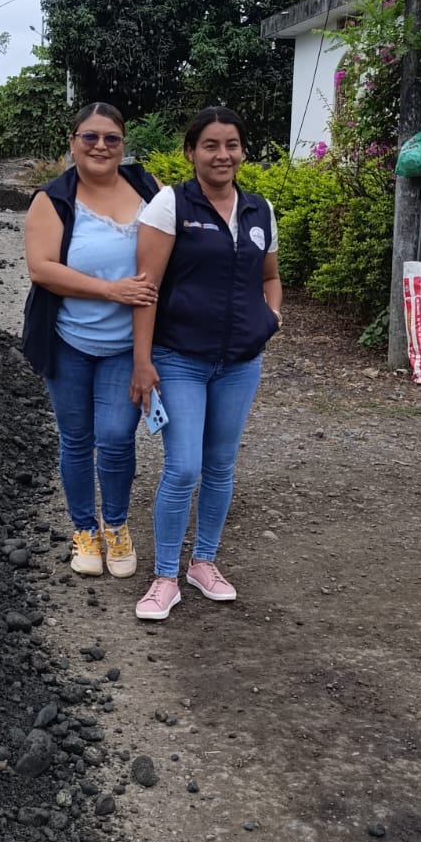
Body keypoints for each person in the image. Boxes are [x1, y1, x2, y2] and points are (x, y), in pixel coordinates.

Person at [129, 106, 282, 621]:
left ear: (243, 151)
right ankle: (164, 577)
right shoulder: (170, 205)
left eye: (231, 145)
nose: (222, 155)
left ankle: (204, 563)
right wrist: (143, 361)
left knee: (220, 465)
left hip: (240, 363)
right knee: (183, 467)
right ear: (191, 152)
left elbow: (269, 277)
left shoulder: (260, 210)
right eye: (210, 145)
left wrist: (271, 318)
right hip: (180, 360)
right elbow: (146, 289)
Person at [22, 103, 161, 578]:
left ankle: (116, 525)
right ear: (73, 142)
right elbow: (41, 269)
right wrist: (110, 290)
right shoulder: (53, 199)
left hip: (127, 345)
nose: (101, 146)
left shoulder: (148, 189)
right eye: (90, 137)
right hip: (68, 342)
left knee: (118, 438)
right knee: (77, 439)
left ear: (123, 145)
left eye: (111, 138)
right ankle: (84, 529)